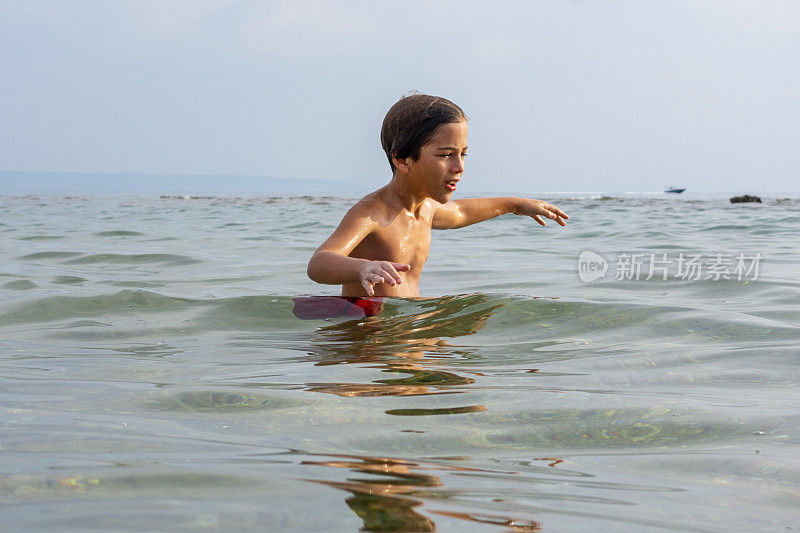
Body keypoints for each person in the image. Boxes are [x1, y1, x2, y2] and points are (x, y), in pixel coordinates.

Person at [307, 93, 569, 298]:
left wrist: (515, 204)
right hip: (373, 338)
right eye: (445, 155)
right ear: (401, 159)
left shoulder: (426, 209)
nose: (459, 167)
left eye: (462, 154)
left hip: (406, 325)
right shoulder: (373, 213)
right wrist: (361, 268)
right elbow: (318, 263)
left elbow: (460, 212)